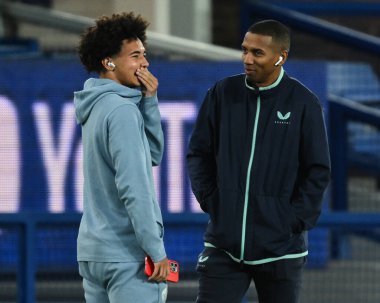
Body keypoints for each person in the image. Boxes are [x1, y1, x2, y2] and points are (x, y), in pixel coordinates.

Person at [187, 19, 331, 303]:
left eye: (257, 53)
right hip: (224, 246)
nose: (247, 59)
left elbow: (317, 171)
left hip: (282, 250)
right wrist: (212, 200)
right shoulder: (221, 93)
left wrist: (292, 220)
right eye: (244, 50)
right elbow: (199, 153)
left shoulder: (303, 103)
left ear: (281, 57)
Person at [74, 12, 169, 303]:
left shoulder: (97, 106)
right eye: (136, 55)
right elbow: (134, 187)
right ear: (108, 62)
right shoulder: (122, 111)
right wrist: (156, 250)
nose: (145, 63)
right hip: (127, 257)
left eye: (144, 54)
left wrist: (149, 102)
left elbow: (152, 155)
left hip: (95, 255)